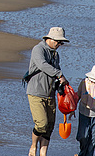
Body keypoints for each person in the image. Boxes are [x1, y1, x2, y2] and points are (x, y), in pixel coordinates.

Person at [25, 26, 70, 156]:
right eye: (58, 42)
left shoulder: (56, 54)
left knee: (49, 126)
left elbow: (56, 72)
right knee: (41, 124)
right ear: (50, 38)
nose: (60, 44)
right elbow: (43, 65)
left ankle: (43, 152)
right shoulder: (38, 49)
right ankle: (33, 146)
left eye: (62, 42)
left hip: (50, 94)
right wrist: (59, 75)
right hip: (36, 92)